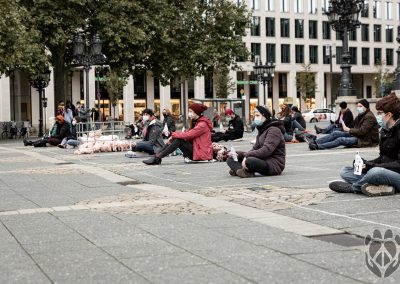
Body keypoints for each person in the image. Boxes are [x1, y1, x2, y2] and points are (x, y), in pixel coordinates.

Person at [329, 92, 400, 196]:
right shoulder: (386, 130)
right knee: (345, 171)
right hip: (385, 170)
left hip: (396, 174)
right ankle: (381, 187)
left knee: (376, 172)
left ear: (389, 115)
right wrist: (365, 164)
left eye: (380, 113)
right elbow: (383, 158)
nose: (378, 116)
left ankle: (354, 187)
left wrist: (372, 166)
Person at [142, 103, 213, 165]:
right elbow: (187, 133)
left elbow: (189, 135)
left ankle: (157, 157)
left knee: (179, 140)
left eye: (191, 111)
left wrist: (173, 134)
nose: (189, 113)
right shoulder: (196, 122)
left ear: (196, 112)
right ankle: (156, 157)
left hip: (201, 154)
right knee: (176, 138)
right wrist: (174, 136)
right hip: (197, 151)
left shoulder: (202, 124)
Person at [226, 106, 286, 178]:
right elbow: (255, 149)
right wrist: (238, 154)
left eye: (257, 115)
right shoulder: (262, 129)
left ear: (265, 116)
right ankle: (242, 171)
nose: (255, 118)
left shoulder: (274, 130)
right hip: (262, 159)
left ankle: (239, 170)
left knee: (249, 161)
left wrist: (246, 155)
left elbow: (266, 151)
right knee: (231, 157)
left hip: (273, 163)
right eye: (255, 116)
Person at [308, 99, 379, 150]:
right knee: (336, 133)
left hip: (366, 140)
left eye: (360, 106)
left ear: (366, 107)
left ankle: (318, 146)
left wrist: (348, 129)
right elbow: (354, 126)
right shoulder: (360, 115)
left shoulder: (369, 116)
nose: (358, 108)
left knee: (340, 140)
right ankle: (315, 142)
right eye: (358, 106)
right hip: (358, 135)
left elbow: (362, 131)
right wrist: (346, 129)